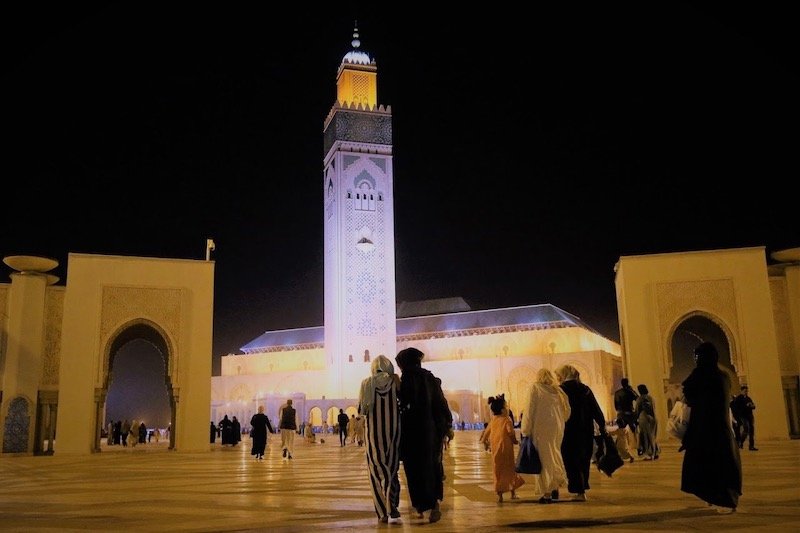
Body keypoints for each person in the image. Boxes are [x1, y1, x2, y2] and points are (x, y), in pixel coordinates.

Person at [681, 341, 742, 512]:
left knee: (705, 464)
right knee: (723, 463)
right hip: (722, 427)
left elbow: (688, 391)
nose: (696, 359)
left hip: (705, 427)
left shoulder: (701, 374)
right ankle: (721, 497)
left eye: (698, 356)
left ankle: (720, 498)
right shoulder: (723, 376)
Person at [395, 347, 452, 524]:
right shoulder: (429, 378)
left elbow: (403, 405)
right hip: (430, 433)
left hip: (412, 433)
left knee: (414, 470)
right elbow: (441, 403)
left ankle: (420, 505)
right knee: (431, 467)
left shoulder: (406, 379)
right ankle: (433, 504)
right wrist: (447, 426)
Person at [358, 354, 403, 524]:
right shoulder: (395, 381)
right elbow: (403, 401)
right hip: (393, 432)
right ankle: (392, 505)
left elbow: (362, 410)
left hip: (373, 436)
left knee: (375, 472)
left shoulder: (366, 383)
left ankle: (383, 512)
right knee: (391, 469)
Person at [555, 364, 606, 502]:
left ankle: (579, 490)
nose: (557, 378)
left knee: (570, 460)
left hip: (568, 431)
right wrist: (602, 426)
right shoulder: (585, 389)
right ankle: (582, 487)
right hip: (585, 430)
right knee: (584, 459)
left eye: (558, 376)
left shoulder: (561, 390)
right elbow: (596, 410)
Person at [521, 368, 571, 503]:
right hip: (557, 429)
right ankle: (555, 487)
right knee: (555, 455)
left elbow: (529, 410)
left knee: (544, 460)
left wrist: (525, 430)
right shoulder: (558, 391)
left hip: (541, 429)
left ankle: (547, 493)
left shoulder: (535, 388)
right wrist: (559, 420)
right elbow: (567, 412)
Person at [480, 394, 525, 503]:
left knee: (498, 470)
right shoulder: (507, 420)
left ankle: (500, 495)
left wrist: (485, 443)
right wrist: (515, 441)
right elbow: (511, 433)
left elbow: (486, 433)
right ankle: (513, 493)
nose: (507, 409)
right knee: (510, 470)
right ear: (502, 410)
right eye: (506, 407)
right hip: (507, 450)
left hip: (496, 450)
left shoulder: (493, 420)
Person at [613, 377, 639, 453]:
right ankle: (637, 446)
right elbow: (637, 398)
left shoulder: (617, 393)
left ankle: (623, 449)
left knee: (621, 432)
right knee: (634, 431)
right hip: (629, 414)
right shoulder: (630, 392)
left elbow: (615, 405)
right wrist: (632, 390)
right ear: (627, 383)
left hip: (620, 414)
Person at [635, 384, 659, 460]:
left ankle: (648, 454)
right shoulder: (651, 398)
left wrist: (635, 419)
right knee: (652, 436)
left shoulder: (639, 399)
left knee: (645, 436)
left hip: (643, 418)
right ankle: (655, 452)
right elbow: (653, 409)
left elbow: (637, 410)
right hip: (653, 418)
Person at [730, 385, 758, 450]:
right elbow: (736, 408)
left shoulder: (748, 398)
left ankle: (751, 446)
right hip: (743, 416)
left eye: (747, 391)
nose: (746, 392)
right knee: (746, 429)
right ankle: (741, 442)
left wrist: (752, 405)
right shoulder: (738, 399)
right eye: (745, 391)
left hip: (750, 416)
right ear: (741, 391)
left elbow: (753, 406)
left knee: (751, 431)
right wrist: (746, 406)